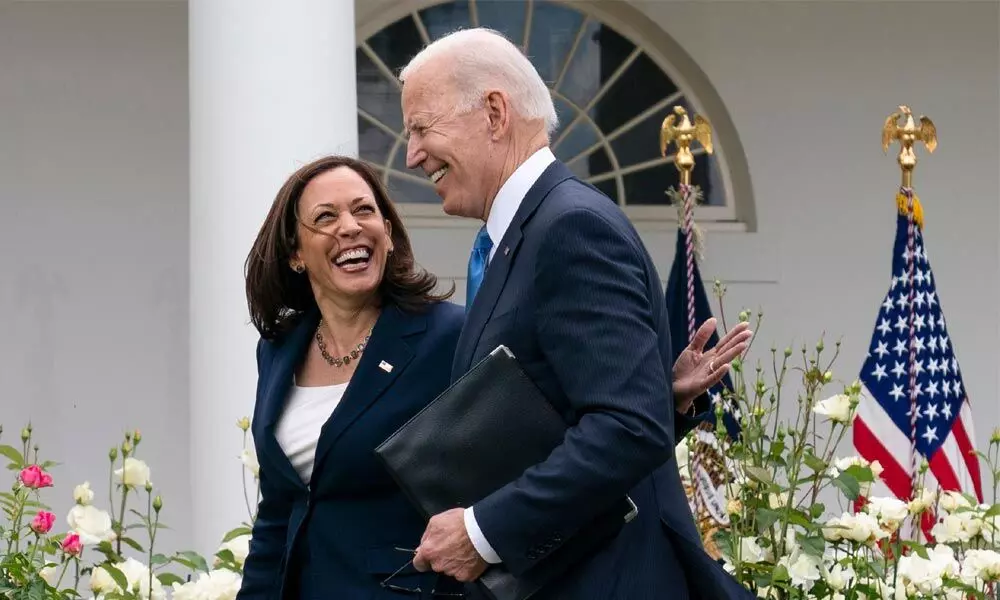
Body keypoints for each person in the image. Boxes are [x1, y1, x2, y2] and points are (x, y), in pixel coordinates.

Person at [399, 28, 755, 599]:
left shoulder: (570, 228)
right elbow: (593, 410)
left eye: (421, 128)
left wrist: (481, 532)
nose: (412, 154)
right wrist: (658, 398)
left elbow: (627, 428)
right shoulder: (524, 234)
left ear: (494, 112)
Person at [237, 155, 467, 599]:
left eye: (364, 210)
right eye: (326, 217)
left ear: (388, 234)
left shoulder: (448, 337)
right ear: (296, 254)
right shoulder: (278, 351)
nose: (350, 226)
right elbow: (277, 514)